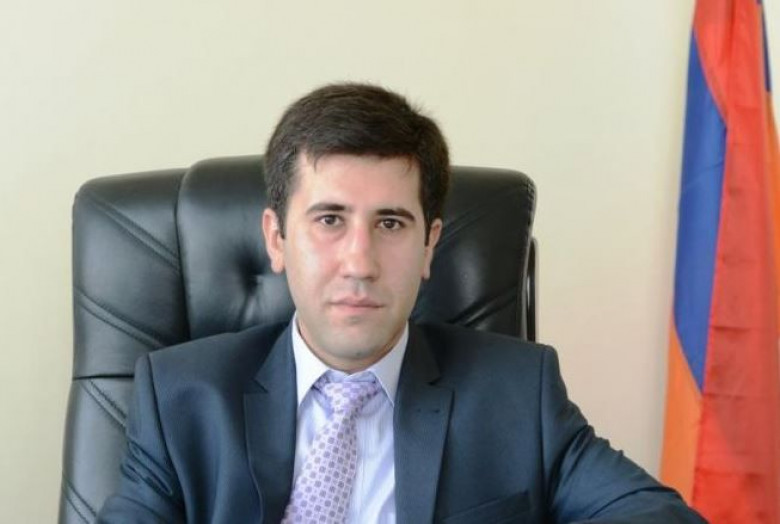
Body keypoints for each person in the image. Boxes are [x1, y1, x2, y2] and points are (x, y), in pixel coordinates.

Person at [97, 83, 704, 523]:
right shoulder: (180, 397)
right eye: (329, 219)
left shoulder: (518, 393)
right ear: (276, 239)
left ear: (429, 245)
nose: (359, 262)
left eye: (390, 223)